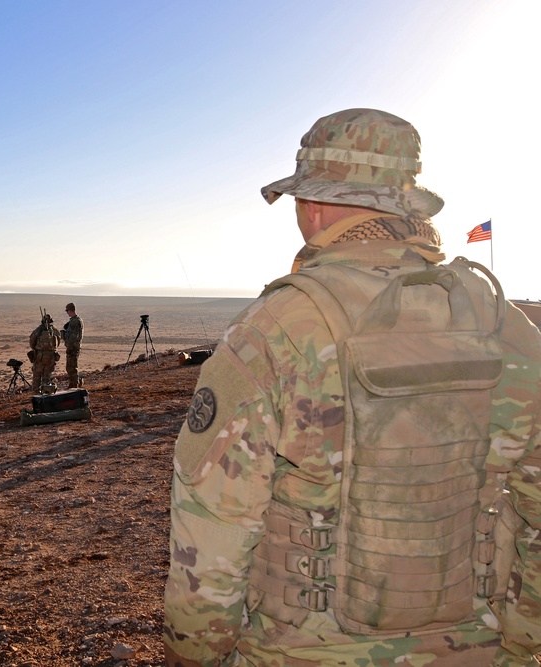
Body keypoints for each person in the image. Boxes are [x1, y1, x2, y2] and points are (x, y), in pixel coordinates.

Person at [163, 108, 541, 666]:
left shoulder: (277, 328)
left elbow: (213, 531)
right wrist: (523, 644)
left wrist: (194, 658)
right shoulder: (503, 323)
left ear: (312, 206)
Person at [29, 312, 61, 393]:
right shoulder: (55, 331)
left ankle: (36, 394)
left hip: (39, 357)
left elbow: (32, 342)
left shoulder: (38, 331)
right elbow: (57, 343)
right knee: (46, 377)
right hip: (50, 357)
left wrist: (38, 349)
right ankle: (46, 394)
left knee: (37, 376)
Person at [62, 302, 83, 388]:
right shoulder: (75, 320)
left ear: (70, 310)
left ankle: (75, 384)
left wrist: (69, 347)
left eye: (67, 311)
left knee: (71, 367)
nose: (67, 313)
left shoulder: (75, 321)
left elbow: (73, 337)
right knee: (71, 367)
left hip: (73, 348)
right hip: (73, 347)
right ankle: (75, 382)